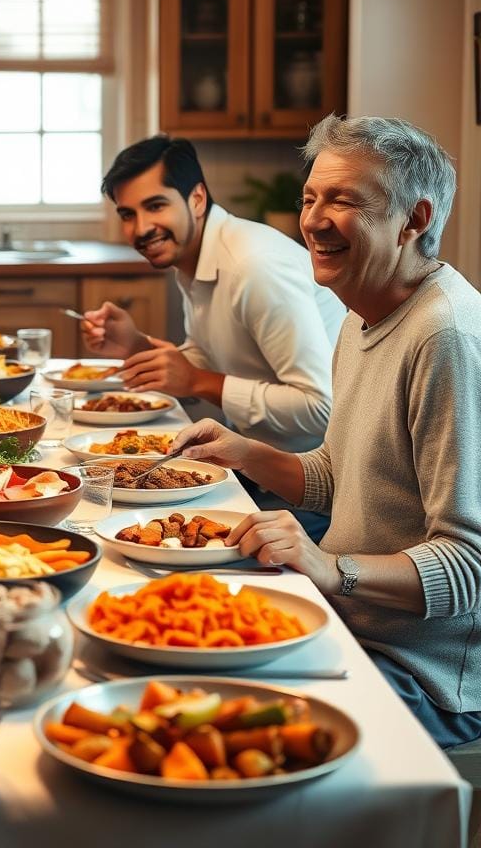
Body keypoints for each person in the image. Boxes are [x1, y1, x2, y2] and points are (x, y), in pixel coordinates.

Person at [174, 114, 481, 748]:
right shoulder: (363, 313)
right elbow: (341, 478)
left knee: (227, 735)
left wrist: (330, 567)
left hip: (427, 678)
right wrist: (243, 452)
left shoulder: (444, 336)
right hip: (351, 623)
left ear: (414, 220)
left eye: (343, 200)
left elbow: (467, 567)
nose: (313, 219)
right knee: (180, 662)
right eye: (310, 197)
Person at [83, 135, 346, 454]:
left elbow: (322, 409)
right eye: (127, 214)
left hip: (308, 480)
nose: (141, 228)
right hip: (253, 459)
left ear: (196, 199)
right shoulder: (193, 257)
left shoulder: (253, 267)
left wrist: (196, 380)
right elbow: (214, 358)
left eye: (155, 206)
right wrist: (137, 345)